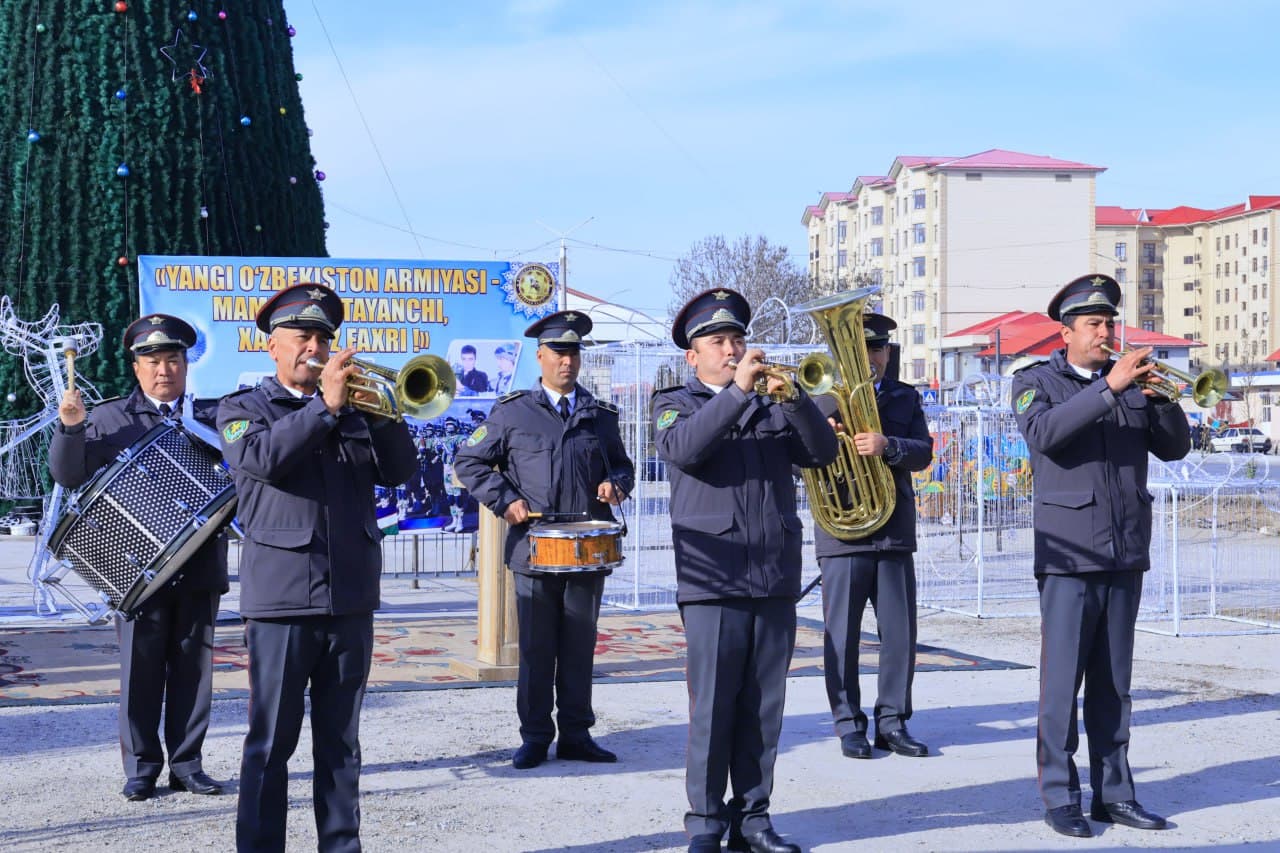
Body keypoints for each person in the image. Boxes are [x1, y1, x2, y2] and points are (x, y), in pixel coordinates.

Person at [218, 283, 418, 852]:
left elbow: (400, 471)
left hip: (350, 597)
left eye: (324, 337)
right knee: (270, 743)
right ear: (272, 348)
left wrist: (383, 415)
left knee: (341, 743)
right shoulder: (243, 409)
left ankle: (340, 846)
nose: (315, 346)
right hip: (282, 601)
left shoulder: (355, 408)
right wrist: (324, 408)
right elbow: (263, 460)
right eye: (302, 336)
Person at [652, 289, 837, 853]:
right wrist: (736, 393)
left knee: (763, 706)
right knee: (712, 707)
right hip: (713, 577)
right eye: (717, 342)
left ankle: (754, 818)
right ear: (693, 355)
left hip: (773, 573)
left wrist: (797, 400)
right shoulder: (675, 403)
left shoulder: (770, 402)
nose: (731, 350)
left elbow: (823, 453)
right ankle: (706, 823)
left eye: (736, 339)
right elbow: (685, 450)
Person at [1011, 274, 1190, 839]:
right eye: (1093, 324)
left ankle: (1115, 794)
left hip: (1124, 551)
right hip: (1068, 556)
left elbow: (1175, 447)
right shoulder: (1037, 381)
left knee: (1114, 685)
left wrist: (1162, 402)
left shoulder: (1135, 383)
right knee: (1062, 685)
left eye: (1110, 321)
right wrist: (1109, 388)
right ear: (1065, 333)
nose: (1105, 331)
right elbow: (1045, 435)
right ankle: (1061, 797)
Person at [49, 313, 228, 802]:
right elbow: (68, 476)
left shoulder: (212, 418)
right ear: (136, 367)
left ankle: (188, 764)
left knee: (194, 671)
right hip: (133, 570)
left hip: (199, 567)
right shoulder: (109, 418)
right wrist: (70, 428)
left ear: (187, 365)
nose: (163, 370)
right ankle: (142, 768)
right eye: (152, 361)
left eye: (172, 359)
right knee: (140, 672)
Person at [455, 310, 635, 770]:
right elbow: (469, 463)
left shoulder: (600, 415)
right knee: (536, 649)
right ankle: (535, 736)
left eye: (573, 353)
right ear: (540, 357)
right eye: (558, 352)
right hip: (532, 550)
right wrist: (505, 500)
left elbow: (623, 467)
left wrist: (616, 485)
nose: (567, 362)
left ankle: (576, 733)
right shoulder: (512, 412)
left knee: (579, 645)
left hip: (585, 553)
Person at [814, 313, 934, 761]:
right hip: (842, 533)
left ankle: (893, 722)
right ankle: (849, 724)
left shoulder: (905, 397)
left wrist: (889, 446)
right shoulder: (820, 398)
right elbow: (795, 462)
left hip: (893, 530)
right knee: (841, 636)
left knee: (900, 635)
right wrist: (824, 441)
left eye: (877, 349)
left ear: (887, 353)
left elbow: (923, 453)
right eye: (860, 349)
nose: (869, 358)